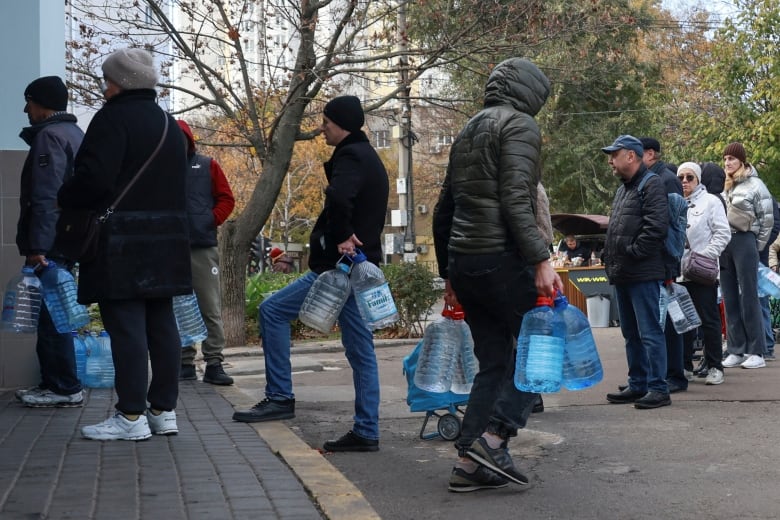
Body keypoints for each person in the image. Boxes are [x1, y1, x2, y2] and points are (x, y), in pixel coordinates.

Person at [432, 57, 563, 493]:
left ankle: (469, 463)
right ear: (530, 93)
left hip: (466, 263)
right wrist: (542, 259)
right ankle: (494, 438)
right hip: (503, 258)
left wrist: (448, 273)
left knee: (494, 362)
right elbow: (516, 200)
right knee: (541, 353)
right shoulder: (519, 126)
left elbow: (443, 210)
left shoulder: (468, 130)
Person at [232, 95, 389, 453]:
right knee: (361, 351)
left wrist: (341, 238)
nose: (322, 128)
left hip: (339, 269)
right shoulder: (369, 157)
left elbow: (339, 197)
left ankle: (280, 398)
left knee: (272, 311)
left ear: (342, 125)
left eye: (327, 123)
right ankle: (366, 430)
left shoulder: (351, 155)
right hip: (360, 268)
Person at [57, 48, 191, 440]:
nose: (104, 86)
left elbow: (95, 179)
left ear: (117, 83)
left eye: (107, 79)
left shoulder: (111, 119)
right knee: (162, 324)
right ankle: (163, 411)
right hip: (168, 240)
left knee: (127, 326)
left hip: (122, 242)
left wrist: (67, 195)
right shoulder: (168, 124)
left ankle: (130, 416)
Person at [14, 76, 85, 408]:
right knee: (57, 314)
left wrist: (38, 248)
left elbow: (45, 197)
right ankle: (60, 384)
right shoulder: (73, 134)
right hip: (68, 238)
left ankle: (63, 387)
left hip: (52, 243)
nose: (26, 109)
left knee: (50, 316)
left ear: (40, 104)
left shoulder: (49, 137)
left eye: (28, 102)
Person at [601, 135, 671, 410]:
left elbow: (656, 228)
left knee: (650, 332)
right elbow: (618, 228)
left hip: (642, 273)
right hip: (624, 273)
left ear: (631, 156)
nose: (610, 161)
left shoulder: (651, 184)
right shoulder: (624, 188)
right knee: (631, 333)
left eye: (614, 155)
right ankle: (639, 383)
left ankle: (658, 388)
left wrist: (632, 253)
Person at [176, 119, 235, 386]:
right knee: (177, 307)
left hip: (202, 246)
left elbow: (227, 198)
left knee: (209, 306)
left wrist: (209, 220)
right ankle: (184, 362)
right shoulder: (156, 170)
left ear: (189, 140)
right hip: (170, 248)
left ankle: (214, 363)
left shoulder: (207, 165)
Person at [719, 142, 774, 370]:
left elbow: (767, 219)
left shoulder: (755, 185)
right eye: (725, 159)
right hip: (725, 242)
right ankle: (736, 349)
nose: (728, 163)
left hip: (745, 241)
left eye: (732, 158)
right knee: (729, 296)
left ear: (742, 160)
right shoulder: (726, 186)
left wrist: (756, 246)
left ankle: (757, 351)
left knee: (749, 297)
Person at [676, 162, 730, 385]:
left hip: (702, 270)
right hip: (679, 272)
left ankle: (715, 366)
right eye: (680, 177)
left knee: (708, 318)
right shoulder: (675, 203)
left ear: (698, 179)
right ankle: (685, 365)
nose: (685, 182)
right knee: (683, 321)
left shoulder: (710, 202)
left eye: (689, 177)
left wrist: (706, 255)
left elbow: (723, 233)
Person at [640, 137, 688, 392]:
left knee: (669, 321)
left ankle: (674, 376)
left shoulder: (666, 179)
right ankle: (660, 375)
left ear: (649, 154)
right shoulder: (652, 178)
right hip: (657, 262)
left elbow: (672, 227)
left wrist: (669, 263)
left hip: (663, 262)